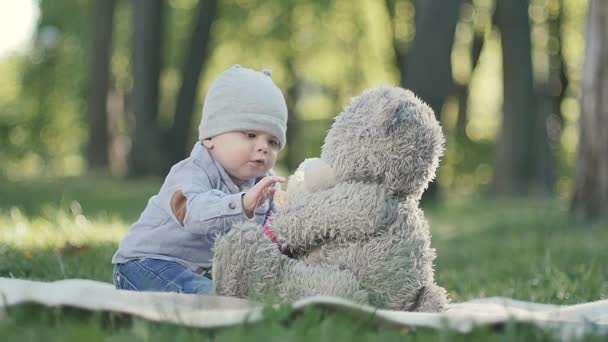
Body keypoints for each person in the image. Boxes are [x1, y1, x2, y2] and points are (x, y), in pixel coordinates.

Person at [111, 64, 287, 295]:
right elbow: (195, 214)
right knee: (208, 297)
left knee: (247, 294)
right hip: (146, 263)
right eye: (250, 134)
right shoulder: (191, 173)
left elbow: (277, 232)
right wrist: (242, 204)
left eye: (273, 141)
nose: (263, 147)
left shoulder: (265, 184)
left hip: (200, 271)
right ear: (210, 137)